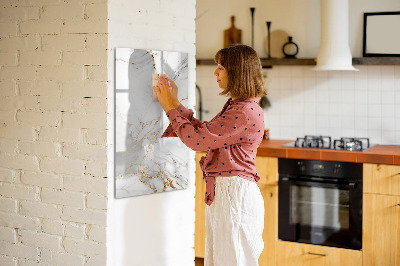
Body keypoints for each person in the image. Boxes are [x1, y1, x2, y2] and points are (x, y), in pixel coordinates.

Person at [153, 44, 266, 266]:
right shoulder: (239, 106)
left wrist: (169, 108)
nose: (215, 72)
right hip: (228, 193)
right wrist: (175, 103)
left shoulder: (243, 111)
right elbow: (205, 134)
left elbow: (197, 141)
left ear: (237, 71)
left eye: (221, 67)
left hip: (234, 195)